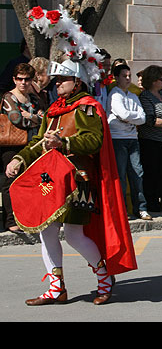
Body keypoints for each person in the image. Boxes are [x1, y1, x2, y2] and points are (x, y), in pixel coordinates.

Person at [6, 58, 136, 306]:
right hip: (53, 179)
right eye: (56, 80)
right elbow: (41, 143)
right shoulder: (54, 108)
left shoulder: (87, 107)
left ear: (77, 82)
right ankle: (56, 288)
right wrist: (20, 159)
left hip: (78, 179)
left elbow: (93, 140)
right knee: (47, 231)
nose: (58, 84)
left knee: (75, 234)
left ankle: (104, 278)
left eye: (62, 80)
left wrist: (64, 143)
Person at [1, 63, 43, 233]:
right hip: (11, 146)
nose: (23, 83)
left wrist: (31, 116)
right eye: (19, 79)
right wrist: (34, 118)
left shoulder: (33, 99)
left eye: (27, 79)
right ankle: (10, 221)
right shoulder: (9, 98)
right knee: (10, 181)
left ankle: (27, 218)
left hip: (30, 145)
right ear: (14, 79)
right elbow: (18, 119)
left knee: (30, 182)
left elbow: (44, 118)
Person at [107, 64, 150, 221]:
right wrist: (130, 117)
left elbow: (142, 117)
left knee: (137, 173)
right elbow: (122, 113)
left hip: (132, 138)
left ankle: (141, 208)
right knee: (121, 173)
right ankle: (122, 209)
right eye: (124, 76)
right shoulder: (115, 95)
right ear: (117, 78)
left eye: (128, 76)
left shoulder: (133, 96)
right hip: (118, 138)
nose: (127, 79)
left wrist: (127, 118)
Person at [138, 65, 162, 212]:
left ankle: (161, 199)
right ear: (153, 81)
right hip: (150, 140)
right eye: (161, 79)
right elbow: (149, 119)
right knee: (151, 172)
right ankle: (151, 201)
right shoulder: (146, 96)